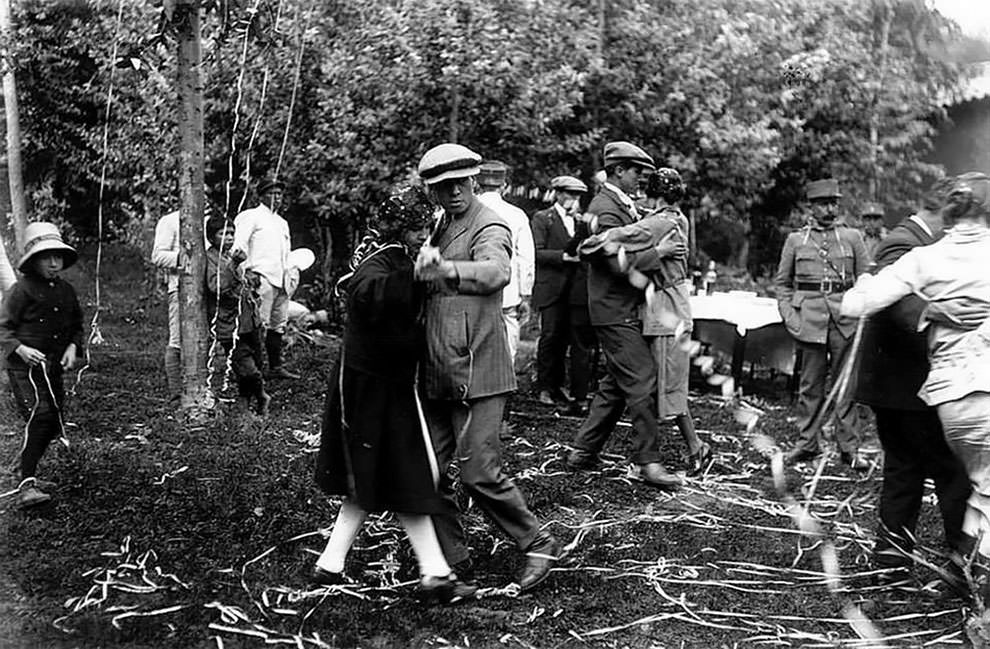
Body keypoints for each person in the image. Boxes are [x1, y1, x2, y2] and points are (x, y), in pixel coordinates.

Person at [312, 187, 475, 603]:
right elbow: (365, 294)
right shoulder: (381, 260)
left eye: (427, 227)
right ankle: (436, 573)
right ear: (399, 228)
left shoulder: (395, 256)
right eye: (417, 227)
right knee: (409, 473)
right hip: (372, 386)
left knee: (377, 475)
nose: (425, 234)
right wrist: (414, 276)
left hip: (384, 382)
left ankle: (330, 564)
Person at [414, 143, 559, 593]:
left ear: (475, 180)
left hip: (479, 371)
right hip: (439, 370)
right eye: (442, 187)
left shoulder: (490, 224)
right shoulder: (443, 224)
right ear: (432, 191)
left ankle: (536, 542)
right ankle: (452, 560)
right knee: (427, 472)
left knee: (477, 470)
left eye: (460, 183)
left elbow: (496, 272)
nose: (453, 192)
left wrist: (447, 270)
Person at [842, 172, 990, 583]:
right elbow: (890, 305)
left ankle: (909, 558)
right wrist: (933, 311)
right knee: (947, 474)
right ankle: (961, 563)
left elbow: (865, 297)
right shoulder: (905, 241)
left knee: (916, 471)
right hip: (908, 385)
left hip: (926, 385)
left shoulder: (930, 248)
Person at [566, 142, 683, 489]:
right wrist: (658, 252)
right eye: (636, 173)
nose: (641, 180)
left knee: (616, 385)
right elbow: (612, 261)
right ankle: (648, 462)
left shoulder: (621, 205)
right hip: (614, 309)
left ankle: (583, 451)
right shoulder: (605, 207)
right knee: (643, 378)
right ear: (618, 170)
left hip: (622, 308)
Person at [773, 178, 870, 469]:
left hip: (845, 320)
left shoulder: (852, 237)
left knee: (845, 387)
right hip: (809, 322)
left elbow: (866, 280)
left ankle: (849, 448)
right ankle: (807, 444)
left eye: (834, 203)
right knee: (809, 386)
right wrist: (791, 317)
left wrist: (861, 312)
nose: (831, 209)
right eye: (824, 203)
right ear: (811, 207)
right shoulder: (795, 240)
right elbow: (782, 284)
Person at [0, 222, 84, 508]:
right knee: (41, 415)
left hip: (52, 368)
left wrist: (73, 346)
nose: (53, 262)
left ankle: (26, 468)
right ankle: (26, 487)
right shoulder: (20, 291)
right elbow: (3, 328)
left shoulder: (66, 291)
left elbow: (76, 325)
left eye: (58, 256)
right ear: (33, 261)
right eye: (46, 257)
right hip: (24, 368)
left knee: (52, 422)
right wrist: (21, 349)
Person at [531, 175, 596, 414]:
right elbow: (536, 253)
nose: (573, 199)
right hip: (552, 287)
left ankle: (563, 387)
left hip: (575, 289)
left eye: (577, 195)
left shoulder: (581, 221)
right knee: (550, 337)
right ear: (557, 194)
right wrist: (563, 257)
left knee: (573, 339)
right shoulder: (542, 218)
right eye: (568, 194)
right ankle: (545, 387)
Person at [231, 176, 299, 380]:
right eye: (272, 193)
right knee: (256, 324)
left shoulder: (282, 222)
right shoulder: (250, 216)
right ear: (261, 196)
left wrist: (291, 274)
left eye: (279, 194)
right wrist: (245, 272)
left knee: (277, 324)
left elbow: (286, 253)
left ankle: (276, 367)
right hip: (261, 278)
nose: (277, 198)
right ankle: (250, 368)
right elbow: (238, 246)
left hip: (282, 280)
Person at [204, 217, 270, 416]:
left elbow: (240, 284)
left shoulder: (229, 255)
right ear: (211, 237)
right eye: (223, 233)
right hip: (229, 324)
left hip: (249, 320)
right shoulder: (210, 258)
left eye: (231, 233)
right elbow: (217, 287)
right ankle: (261, 397)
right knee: (245, 366)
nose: (229, 238)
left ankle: (247, 401)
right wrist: (234, 264)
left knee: (256, 362)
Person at [476, 160, 535, 367]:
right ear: (503, 185)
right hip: (507, 291)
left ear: (476, 182)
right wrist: (526, 294)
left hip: (472, 289)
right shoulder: (516, 215)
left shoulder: (464, 212)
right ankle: (504, 384)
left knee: (475, 339)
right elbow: (526, 258)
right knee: (508, 335)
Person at [151, 209, 182, 402]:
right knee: (177, 339)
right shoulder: (171, 220)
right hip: (180, 287)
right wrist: (184, 257)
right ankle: (176, 392)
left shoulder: (209, 220)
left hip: (209, 288)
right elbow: (158, 256)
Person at [861, 202, 887, 266]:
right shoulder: (857, 239)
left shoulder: (887, 241)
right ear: (863, 221)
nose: (872, 223)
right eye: (868, 219)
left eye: (876, 219)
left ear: (882, 221)